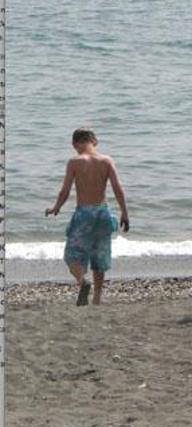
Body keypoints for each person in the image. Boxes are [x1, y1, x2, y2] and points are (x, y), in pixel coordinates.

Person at [46, 128, 130, 306]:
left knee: (72, 255)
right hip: (102, 213)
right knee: (100, 256)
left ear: (75, 144)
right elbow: (117, 188)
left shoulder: (75, 162)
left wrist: (56, 207)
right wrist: (124, 212)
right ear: (95, 141)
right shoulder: (107, 161)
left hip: (84, 214)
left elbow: (65, 190)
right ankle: (97, 299)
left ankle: (83, 282)